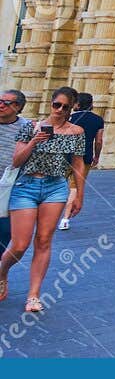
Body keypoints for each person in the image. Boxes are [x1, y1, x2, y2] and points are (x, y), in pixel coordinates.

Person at [0, 86, 87, 311]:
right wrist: (35, 141)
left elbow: (77, 163)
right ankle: (3, 270)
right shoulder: (31, 127)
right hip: (25, 185)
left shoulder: (76, 132)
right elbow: (17, 160)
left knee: (44, 240)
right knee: (19, 245)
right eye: (55, 104)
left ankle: (33, 295)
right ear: (50, 103)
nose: (58, 110)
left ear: (72, 108)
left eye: (64, 107)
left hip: (55, 187)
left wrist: (79, 195)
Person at [60, 93, 104, 232]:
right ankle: (65, 219)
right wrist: (97, 156)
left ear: (77, 104)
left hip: (65, 155)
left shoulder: (71, 118)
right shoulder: (98, 120)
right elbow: (99, 141)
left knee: (56, 183)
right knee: (75, 187)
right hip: (85, 157)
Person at [0, 90, 34, 258]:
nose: (0, 105)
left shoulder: (27, 127)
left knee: (4, 232)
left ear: (18, 107)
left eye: (6, 103)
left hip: (10, 187)